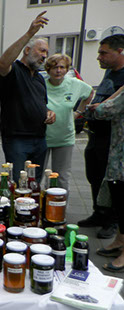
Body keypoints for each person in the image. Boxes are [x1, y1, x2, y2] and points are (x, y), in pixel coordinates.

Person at [0, 11, 56, 183]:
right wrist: (29, 33)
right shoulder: (13, 71)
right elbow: (3, 63)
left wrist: (49, 112)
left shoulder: (39, 78)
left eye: (46, 53)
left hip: (40, 139)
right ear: (27, 50)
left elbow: (42, 104)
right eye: (41, 51)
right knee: (18, 183)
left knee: (34, 184)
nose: (44, 56)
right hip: (17, 140)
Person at [78, 34, 124, 239]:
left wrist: (101, 107)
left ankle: (112, 221)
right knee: (94, 175)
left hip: (114, 140)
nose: (99, 57)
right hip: (96, 135)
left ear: (120, 51)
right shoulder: (109, 74)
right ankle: (99, 213)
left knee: (112, 181)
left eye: (104, 53)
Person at [84, 86, 124, 271]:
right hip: (118, 154)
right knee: (118, 198)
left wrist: (99, 105)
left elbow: (103, 111)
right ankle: (120, 241)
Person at [43, 54, 93, 190]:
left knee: (62, 177)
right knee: (36, 175)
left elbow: (90, 93)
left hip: (64, 138)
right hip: (42, 137)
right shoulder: (41, 84)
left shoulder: (74, 84)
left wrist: (78, 112)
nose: (58, 71)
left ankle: (60, 203)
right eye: (54, 67)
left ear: (66, 69)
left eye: (62, 67)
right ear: (48, 69)